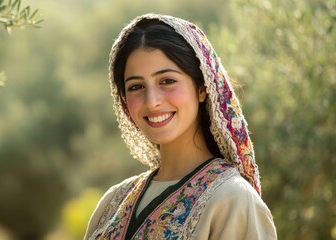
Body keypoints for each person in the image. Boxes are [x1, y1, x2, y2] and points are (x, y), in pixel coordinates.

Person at [84, 13, 277, 239]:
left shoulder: (232, 200)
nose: (152, 101)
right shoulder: (112, 203)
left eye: (167, 81)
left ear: (202, 87)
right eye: (136, 86)